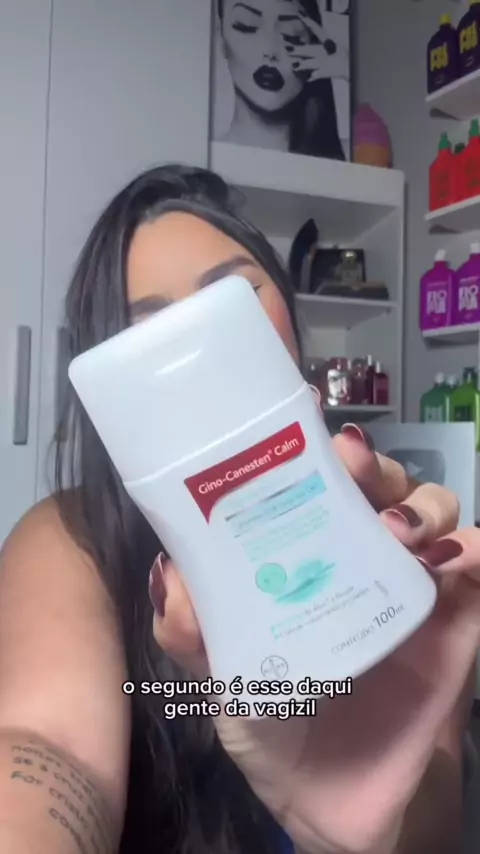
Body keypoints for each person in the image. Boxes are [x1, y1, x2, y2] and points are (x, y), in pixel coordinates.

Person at [0, 163, 478, 854]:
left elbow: (433, 830)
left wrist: (382, 817)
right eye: (149, 328)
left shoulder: (385, 538)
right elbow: (49, 747)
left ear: (289, 314)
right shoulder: (73, 541)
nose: (201, 338)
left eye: (231, 294)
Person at [214, 0, 347, 159]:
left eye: (292, 34)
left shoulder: (347, 160)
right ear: (221, 40)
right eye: (247, 25)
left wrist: (348, 68)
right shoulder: (203, 158)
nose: (270, 50)